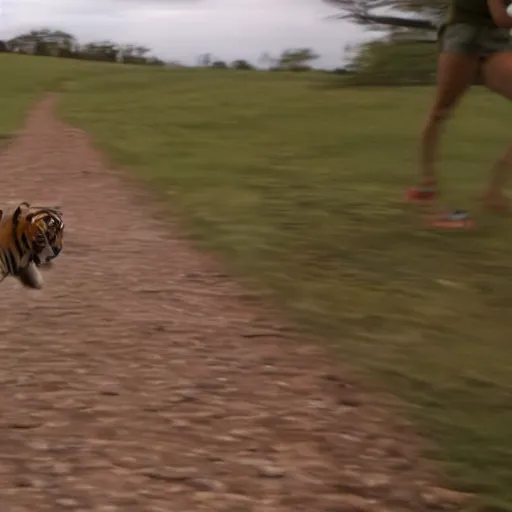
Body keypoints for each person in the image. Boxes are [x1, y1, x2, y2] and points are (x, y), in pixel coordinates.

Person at [408, 0, 512, 228]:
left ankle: (493, 191)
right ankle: (428, 191)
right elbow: (502, 17)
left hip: (497, 40)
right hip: (465, 33)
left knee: (440, 112)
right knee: (441, 111)